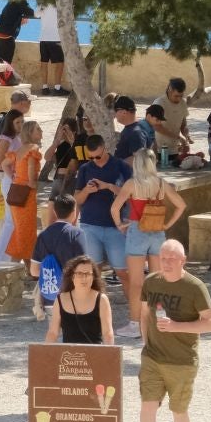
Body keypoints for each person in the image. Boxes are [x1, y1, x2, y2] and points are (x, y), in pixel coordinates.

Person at [135, 240, 211, 422]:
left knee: (178, 410)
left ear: (183, 261)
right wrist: (145, 342)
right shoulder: (151, 282)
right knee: (147, 406)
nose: (167, 263)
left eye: (172, 259)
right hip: (152, 357)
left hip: (181, 361)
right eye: (163, 258)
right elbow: (144, 313)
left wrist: (176, 326)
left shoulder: (195, 287)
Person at [110, 152, 187, 341]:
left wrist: (120, 225)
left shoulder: (131, 184)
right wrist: (167, 225)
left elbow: (114, 208)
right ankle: (156, 323)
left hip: (137, 230)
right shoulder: (161, 184)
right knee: (157, 281)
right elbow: (181, 205)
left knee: (136, 283)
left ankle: (135, 325)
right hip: (157, 232)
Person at [73, 134, 132, 314]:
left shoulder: (121, 167)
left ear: (105, 148)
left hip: (116, 227)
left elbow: (130, 193)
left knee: (123, 272)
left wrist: (108, 186)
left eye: (98, 156)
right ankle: (94, 311)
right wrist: (87, 190)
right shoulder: (84, 169)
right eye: (91, 158)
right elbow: (77, 199)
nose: (95, 161)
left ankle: (135, 311)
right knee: (93, 271)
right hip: (90, 225)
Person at [30, 196, 87, 324]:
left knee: (54, 333)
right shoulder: (77, 234)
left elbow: (34, 271)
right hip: (72, 295)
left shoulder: (43, 235)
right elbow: (83, 267)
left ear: (55, 212)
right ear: (74, 212)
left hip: (50, 297)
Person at [45, 254, 114, 345]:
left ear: (93, 277)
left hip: (94, 355)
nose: (84, 278)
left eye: (88, 274)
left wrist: (107, 357)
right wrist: (47, 355)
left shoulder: (102, 299)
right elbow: (53, 333)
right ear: (72, 276)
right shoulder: (60, 299)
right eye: (79, 274)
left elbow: (107, 334)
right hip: (69, 356)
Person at [5, 120, 44, 263]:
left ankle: (26, 268)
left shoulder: (19, 149)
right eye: (38, 129)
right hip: (26, 195)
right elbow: (31, 168)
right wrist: (32, 183)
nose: (41, 132)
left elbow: (5, 164)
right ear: (30, 133)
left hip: (16, 192)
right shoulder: (33, 148)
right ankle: (14, 266)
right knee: (27, 232)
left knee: (21, 230)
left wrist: (14, 177)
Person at [0, 107, 26, 263]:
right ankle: (0, 256)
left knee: (12, 219)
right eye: (17, 122)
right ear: (10, 123)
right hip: (9, 179)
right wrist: (9, 177)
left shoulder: (18, 137)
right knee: (10, 219)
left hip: (15, 179)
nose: (20, 125)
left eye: (22, 122)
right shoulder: (6, 139)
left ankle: (8, 254)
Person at [0, 88, 32, 165]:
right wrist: (3, 174)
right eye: (29, 102)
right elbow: (3, 152)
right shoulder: (10, 121)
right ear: (22, 103)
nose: (30, 104)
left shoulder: (14, 119)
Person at [153, 79, 193, 165]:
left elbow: (183, 123)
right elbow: (156, 126)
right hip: (160, 150)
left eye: (181, 96)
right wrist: (178, 137)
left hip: (175, 149)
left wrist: (186, 136)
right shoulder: (159, 103)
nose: (178, 99)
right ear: (169, 90)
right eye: (176, 96)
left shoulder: (183, 103)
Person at [110, 95, 153, 162]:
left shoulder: (136, 133)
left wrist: (116, 165)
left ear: (124, 112)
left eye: (115, 110)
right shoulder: (133, 129)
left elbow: (138, 159)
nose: (115, 114)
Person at [37, 0, 67, 93]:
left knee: (44, 63)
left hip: (43, 38)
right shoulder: (60, 3)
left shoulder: (43, 3)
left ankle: (44, 87)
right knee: (59, 63)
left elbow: (36, 14)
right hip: (55, 38)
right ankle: (57, 88)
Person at [0, 0, 29, 68]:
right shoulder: (21, 2)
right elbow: (28, 15)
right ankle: (5, 78)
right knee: (7, 62)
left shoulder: (9, 4)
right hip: (7, 35)